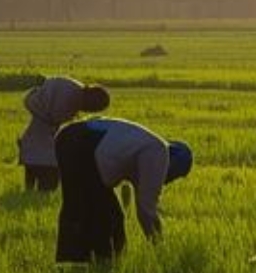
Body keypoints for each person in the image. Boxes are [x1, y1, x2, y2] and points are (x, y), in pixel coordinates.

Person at [54, 118, 191, 263]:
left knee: (79, 207)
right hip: (84, 145)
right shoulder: (159, 152)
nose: (169, 181)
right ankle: (103, 263)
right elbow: (146, 209)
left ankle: (75, 264)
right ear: (175, 166)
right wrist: (158, 245)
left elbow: (138, 194)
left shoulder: (146, 144)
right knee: (108, 217)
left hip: (68, 137)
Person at [18, 76, 111, 192]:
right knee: (47, 186)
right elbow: (56, 117)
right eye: (92, 108)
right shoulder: (70, 99)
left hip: (33, 148)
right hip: (44, 155)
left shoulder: (73, 89)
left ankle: (27, 196)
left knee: (33, 180)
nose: (88, 111)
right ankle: (29, 197)